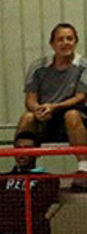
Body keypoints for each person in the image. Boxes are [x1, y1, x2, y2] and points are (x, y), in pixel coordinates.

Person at [15, 22, 87, 189]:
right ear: (52, 44)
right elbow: (30, 99)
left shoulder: (84, 66)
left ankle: (84, 169)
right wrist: (37, 110)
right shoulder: (38, 67)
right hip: (45, 118)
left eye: (70, 38)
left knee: (72, 115)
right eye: (60, 39)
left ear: (76, 42)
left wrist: (54, 107)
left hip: (75, 118)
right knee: (27, 117)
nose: (65, 43)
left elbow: (81, 97)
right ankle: (24, 170)